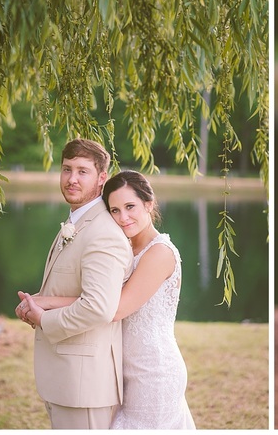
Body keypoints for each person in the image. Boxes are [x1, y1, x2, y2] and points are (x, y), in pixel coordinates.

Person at [21, 170, 197, 429]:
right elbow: (97, 298)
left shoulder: (160, 252)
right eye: (114, 210)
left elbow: (113, 308)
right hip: (118, 369)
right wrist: (44, 300)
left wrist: (47, 309)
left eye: (130, 207)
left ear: (149, 204)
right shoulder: (123, 246)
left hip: (152, 372)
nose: (123, 218)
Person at [14, 138, 133, 429]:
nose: (72, 179)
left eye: (82, 171)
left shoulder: (103, 232)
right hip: (67, 381)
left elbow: (98, 307)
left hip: (86, 387)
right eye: (67, 169)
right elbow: (74, 290)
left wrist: (44, 319)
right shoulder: (77, 223)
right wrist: (37, 302)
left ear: (101, 178)